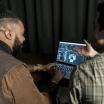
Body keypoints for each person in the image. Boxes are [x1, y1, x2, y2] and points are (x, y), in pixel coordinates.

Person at [0, 5, 64, 104]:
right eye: (22, 34)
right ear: (9, 34)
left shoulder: (11, 69)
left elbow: (7, 71)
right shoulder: (15, 71)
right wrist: (55, 81)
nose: (24, 39)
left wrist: (40, 67)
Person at [66, 1, 104, 104]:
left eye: (95, 25)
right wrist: (95, 55)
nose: (94, 24)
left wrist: (54, 81)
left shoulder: (81, 71)